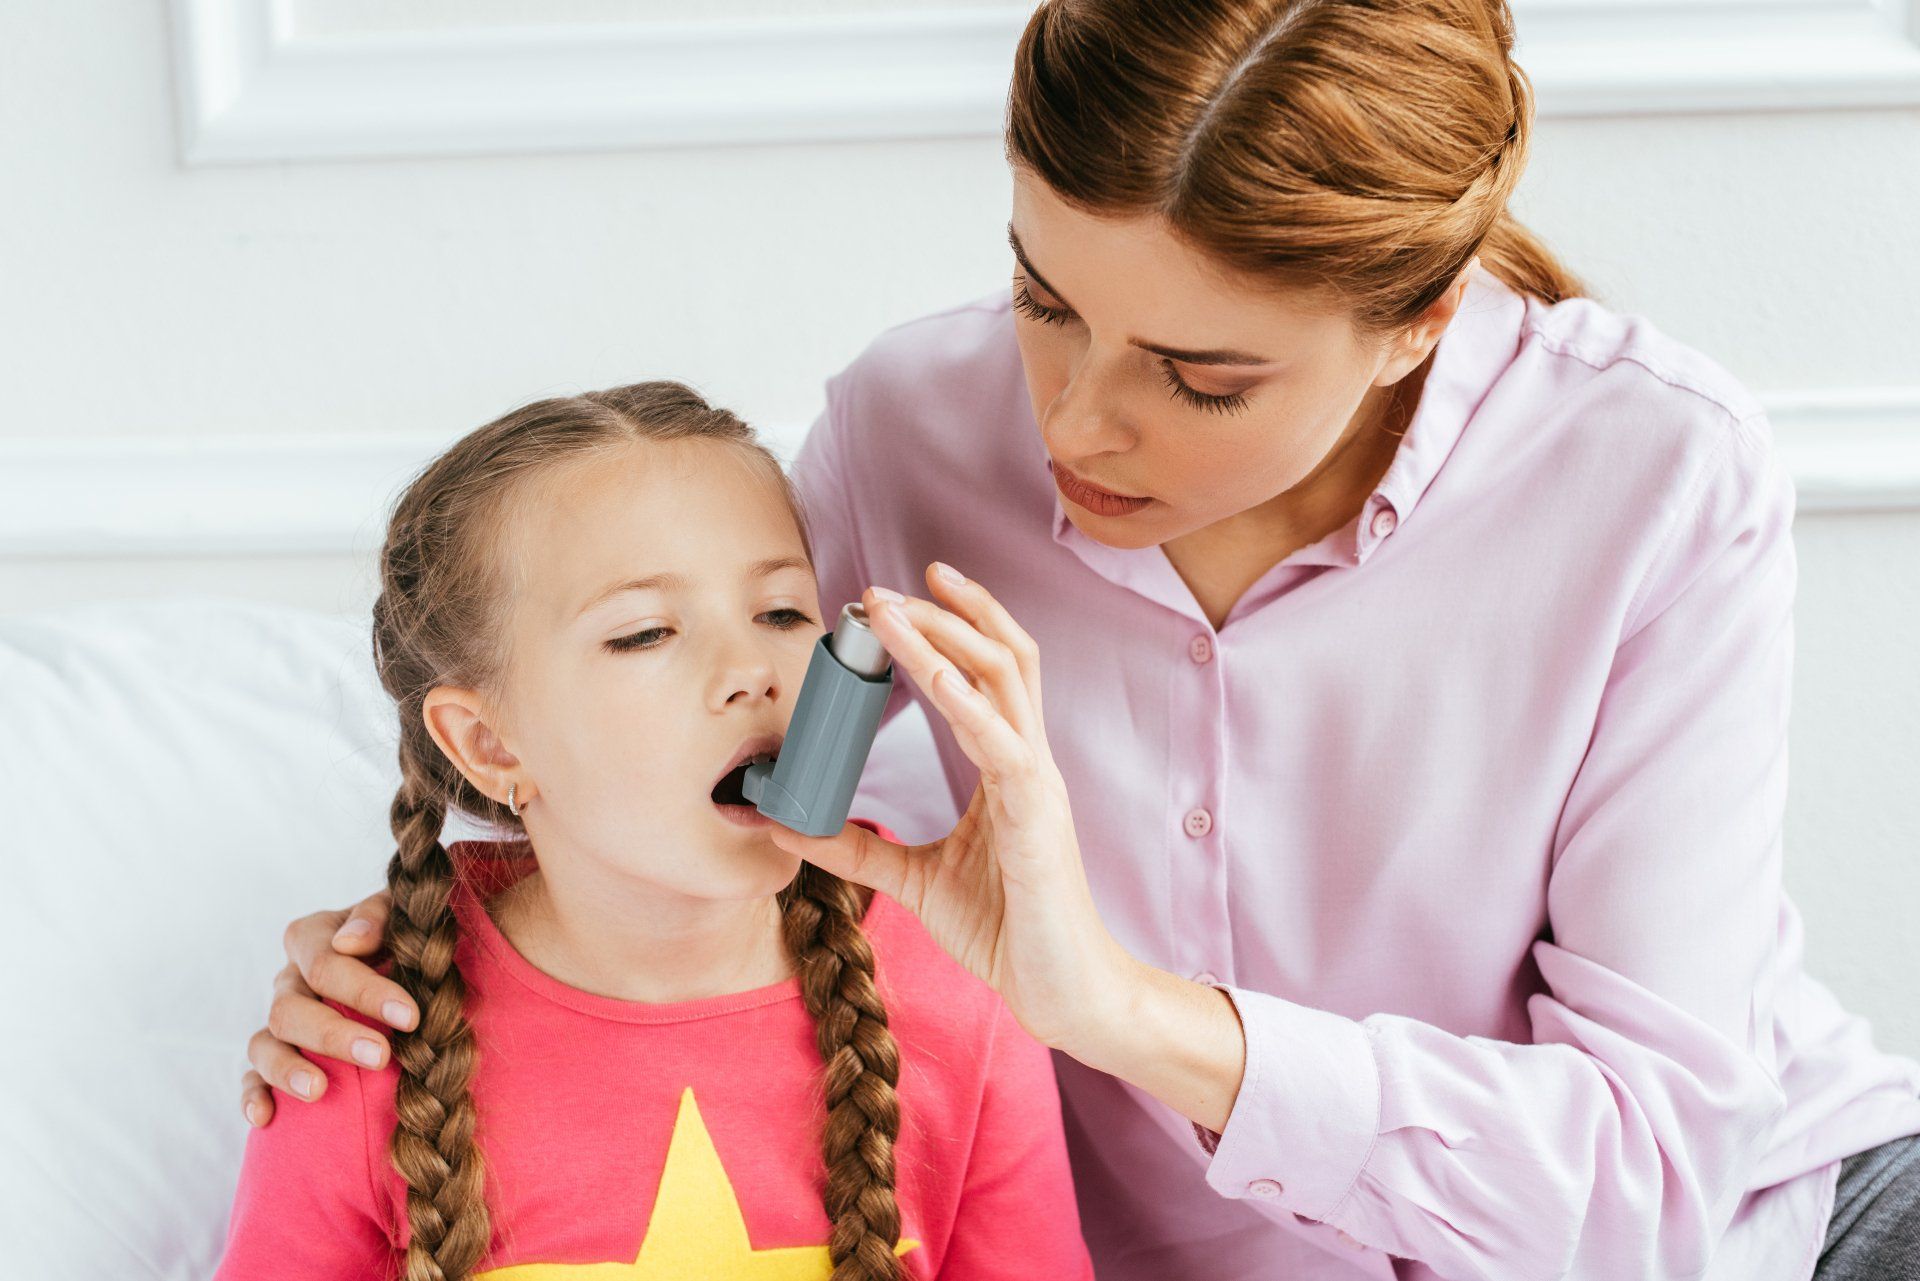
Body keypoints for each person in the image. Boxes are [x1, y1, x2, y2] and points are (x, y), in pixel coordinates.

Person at [241, 2, 1920, 1277]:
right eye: (1045, 298)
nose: (1075, 423)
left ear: (1422, 314)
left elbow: (1651, 1182)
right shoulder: (912, 429)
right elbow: (672, 728)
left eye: (1201, 377)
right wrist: (436, 920)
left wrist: (1114, 1008)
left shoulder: (1651, 471)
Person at [217, 383, 1092, 1279]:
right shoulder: (359, 1040)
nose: (750, 669)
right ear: (488, 742)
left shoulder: (961, 987)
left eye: (783, 612)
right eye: (644, 633)